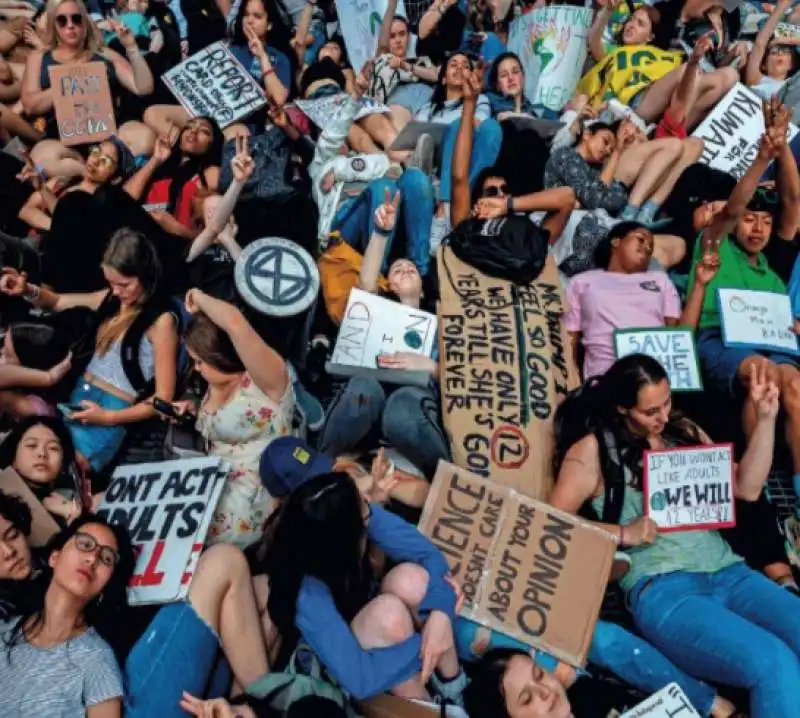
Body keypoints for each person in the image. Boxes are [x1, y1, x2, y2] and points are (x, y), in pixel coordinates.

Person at [550, 354, 800, 718]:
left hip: (730, 572)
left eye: (667, 402)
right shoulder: (592, 450)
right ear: (623, 408)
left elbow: (746, 487)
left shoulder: (682, 430)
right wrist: (623, 532)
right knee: (771, 661)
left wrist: (765, 420)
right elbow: (551, 522)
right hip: (665, 589)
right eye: (650, 411)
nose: (663, 417)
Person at [258, 471, 467, 703]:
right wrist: (429, 639)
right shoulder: (306, 594)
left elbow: (427, 554)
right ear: (342, 541)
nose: (370, 504)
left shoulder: (352, 510)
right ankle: (432, 707)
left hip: (364, 610)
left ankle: (454, 687)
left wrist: (440, 616)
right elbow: (360, 679)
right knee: (390, 617)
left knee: (413, 581)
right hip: (345, 664)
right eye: (365, 514)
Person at [0, 230, 179, 473]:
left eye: (124, 284)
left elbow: (163, 401)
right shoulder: (113, 299)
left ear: (144, 275)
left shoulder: (162, 322)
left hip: (112, 409)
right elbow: (57, 302)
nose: (116, 291)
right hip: (77, 396)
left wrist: (107, 418)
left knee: (56, 468)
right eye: (111, 284)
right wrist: (27, 290)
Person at [176, 288, 295, 548]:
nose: (196, 369)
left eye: (199, 361)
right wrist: (194, 412)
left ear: (219, 355)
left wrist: (199, 297)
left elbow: (235, 324)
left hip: (254, 494)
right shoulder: (214, 381)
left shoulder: (267, 380)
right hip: (211, 478)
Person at [0, 515, 135, 717]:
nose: (92, 559)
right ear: (55, 557)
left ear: (104, 587)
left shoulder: (97, 660)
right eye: (85, 544)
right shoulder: (4, 629)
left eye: (107, 558)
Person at [564, 222, 719, 379]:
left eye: (650, 248)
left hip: (654, 378)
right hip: (605, 378)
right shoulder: (582, 282)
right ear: (616, 241)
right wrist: (572, 384)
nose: (647, 247)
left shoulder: (660, 280)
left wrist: (700, 284)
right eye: (641, 239)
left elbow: (679, 338)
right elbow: (569, 339)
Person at [21, 0, 154, 179]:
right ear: (54, 25)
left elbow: (143, 88)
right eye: (62, 21)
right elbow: (30, 105)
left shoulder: (103, 54)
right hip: (64, 145)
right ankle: (91, 173)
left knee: (145, 137)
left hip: (109, 141)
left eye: (77, 19)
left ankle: (102, 170)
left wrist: (131, 47)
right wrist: (69, 79)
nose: (71, 26)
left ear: (85, 23)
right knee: (42, 157)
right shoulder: (38, 57)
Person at [581, 0, 736, 129]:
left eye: (640, 23)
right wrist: (607, 13)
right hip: (633, 105)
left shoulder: (661, 55)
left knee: (730, 76)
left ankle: (669, 134)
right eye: (631, 19)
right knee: (686, 72)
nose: (631, 25)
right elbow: (594, 43)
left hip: (670, 105)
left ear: (650, 36)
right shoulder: (615, 51)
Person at [127, 116, 224, 243]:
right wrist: (155, 159)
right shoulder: (161, 164)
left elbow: (218, 236)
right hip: (130, 232)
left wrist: (178, 230)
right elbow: (125, 198)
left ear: (213, 144)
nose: (193, 131)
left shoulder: (210, 174)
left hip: (168, 246)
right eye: (189, 126)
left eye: (204, 131)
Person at [0, 416, 79, 520]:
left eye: (53, 448)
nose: (42, 454)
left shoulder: (72, 502)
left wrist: (73, 517)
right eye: (31, 445)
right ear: (13, 457)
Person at [0, 323, 71, 417]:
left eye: (7, 355)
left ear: (28, 368)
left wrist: (47, 377)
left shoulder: (31, 408)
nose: (1, 352)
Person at [745, 0, 800, 100]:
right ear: (764, 66)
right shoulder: (756, 79)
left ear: (793, 64)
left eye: (786, 52)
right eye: (773, 53)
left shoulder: (795, 84)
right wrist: (781, 6)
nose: (779, 53)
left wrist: (784, 39)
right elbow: (759, 44)